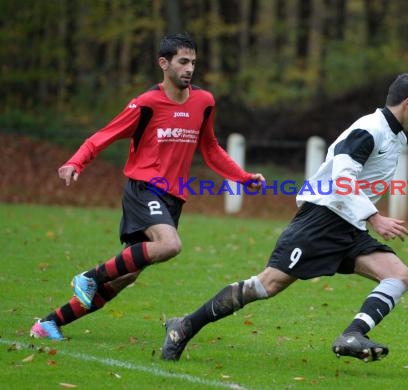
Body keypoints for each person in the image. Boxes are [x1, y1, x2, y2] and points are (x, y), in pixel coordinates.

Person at [161, 72, 408, 362]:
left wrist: (365, 217)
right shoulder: (369, 129)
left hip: (349, 226)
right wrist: (375, 217)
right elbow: (343, 178)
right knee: (267, 285)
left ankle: (353, 335)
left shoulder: (396, 137)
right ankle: (184, 326)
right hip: (321, 220)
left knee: (399, 276)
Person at [30, 33, 264, 341]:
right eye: (183, 62)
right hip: (144, 188)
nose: (190, 68)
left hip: (173, 197)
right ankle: (90, 276)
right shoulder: (146, 104)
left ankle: (49, 323)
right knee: (169, 245)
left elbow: (210, 148)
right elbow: (104, 135)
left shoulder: (204, 102)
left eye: (193, 62)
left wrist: (243, 177)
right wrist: (76, 162)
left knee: (126, 276)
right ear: (163, 64)